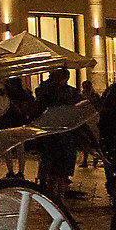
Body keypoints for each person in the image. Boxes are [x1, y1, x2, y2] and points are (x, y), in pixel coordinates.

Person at [32, 68, 81, 201]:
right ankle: (55, 192)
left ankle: (57, 191)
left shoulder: (61, 91)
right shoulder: (50, 91)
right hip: (56, 133)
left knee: (56, 164)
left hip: (60, 133)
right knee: (55, 163)